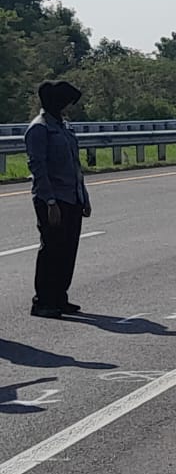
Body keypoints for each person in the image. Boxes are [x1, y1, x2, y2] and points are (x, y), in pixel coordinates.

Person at [25, 80, 92, 319]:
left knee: (68, 250)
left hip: (71, 196)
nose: (68, 108)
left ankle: (59, 297)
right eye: (65, 103)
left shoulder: (64, 127)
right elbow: (38, 167)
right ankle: (43, 300)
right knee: (51, 250)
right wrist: (50, 202)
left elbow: (75, 165)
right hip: (52, 198)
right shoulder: (40, 128)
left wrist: (83, 196)